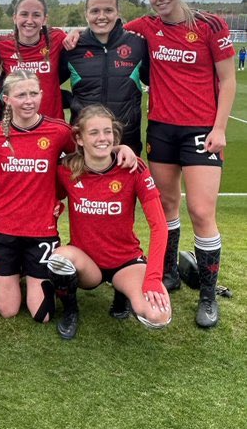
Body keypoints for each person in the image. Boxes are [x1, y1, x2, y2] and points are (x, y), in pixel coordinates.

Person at [126, 0, 236, 328]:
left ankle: (207, 295)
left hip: (201, 131)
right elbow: (109, 33)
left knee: (202, 212)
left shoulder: (210, 25)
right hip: (161, 130)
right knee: (168, 205)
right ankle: (170, 272)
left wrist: (219, 129)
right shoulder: (145, 26)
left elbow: (228, 80)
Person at [47, 105, 171, 340]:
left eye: (107, 132)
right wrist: (57, 206)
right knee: (59, 259)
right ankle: (71, 311)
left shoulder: (134, 168)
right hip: (87, 263)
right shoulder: (66, 171)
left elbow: (159, 226)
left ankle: (122, 293)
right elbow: (50, 196)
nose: (102, 138)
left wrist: (154, 278)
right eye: (93, 133)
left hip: (125, 261)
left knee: (157, 315)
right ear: (79, 138)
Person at [0, 72, 75, 321]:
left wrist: (121, 148)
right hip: (1, 229)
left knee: (42, 315)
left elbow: (86, 154)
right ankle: (13, 271)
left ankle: (35, 273)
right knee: (8, 311)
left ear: (42, 95)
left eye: (33, 93)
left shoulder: (59, 132)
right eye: (21, 95)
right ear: (7, 99)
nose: (29, 100)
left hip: (40, 230)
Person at [61, 0, 148, 153]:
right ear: (86, 15)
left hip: (127, 140)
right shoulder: (72, 48)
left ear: (117, 13)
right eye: (95, 11)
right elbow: (48, 84)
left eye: (108, 10)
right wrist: (71, 101)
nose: (101, 16)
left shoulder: (137, 44)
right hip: (85, 140)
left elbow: (157, 81)